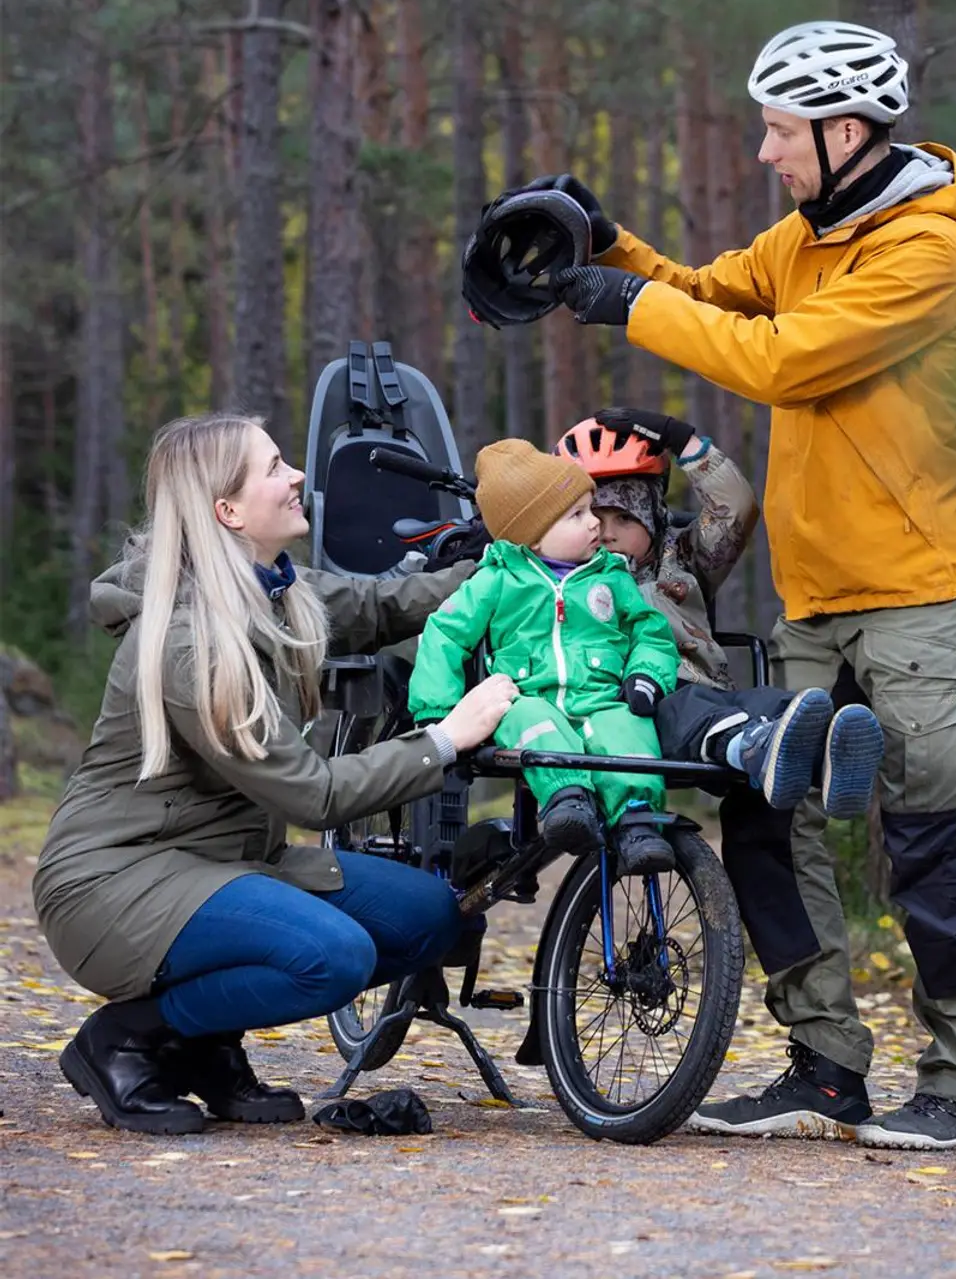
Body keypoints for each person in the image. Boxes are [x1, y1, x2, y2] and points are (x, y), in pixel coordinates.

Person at [540, 20, 956, 1151]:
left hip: (917, 586)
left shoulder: (924, 249)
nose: (765, 152)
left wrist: (629, 307)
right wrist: (608, 247)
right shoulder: (806, 238)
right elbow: (702, 291)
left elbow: (781, 360)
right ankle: (824, 1063)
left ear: (843, 131)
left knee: (924, 833)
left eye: (777, 131)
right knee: (762, 809)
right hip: (814, 594)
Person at [34, 414, 516, 1138]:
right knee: (332, 956)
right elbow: (313, 793)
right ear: (227, 511)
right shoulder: (188, 642)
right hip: (115, 884)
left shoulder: (274, 586)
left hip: (225, 864)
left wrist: (506, 564)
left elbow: (383, 605)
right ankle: (131, 1036)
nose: (296, 477)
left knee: (433, 919)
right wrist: (446, 739)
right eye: (273, 466)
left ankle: (203, 1044)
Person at [553, 408, 883, 822]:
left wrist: (684, 442)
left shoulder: (681, 558)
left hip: (709, 694)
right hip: (627, 710)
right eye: (591, 517)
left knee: (769, 704)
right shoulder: (556, 576)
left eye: (624, 517)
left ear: (655, 515)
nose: (606, 531)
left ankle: (824, 758)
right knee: (691, 711)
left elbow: (737, 507)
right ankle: (756, 745)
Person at [407, 438, 682, 876]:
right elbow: (445, 632)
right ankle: (567, 803)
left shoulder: (610, 576)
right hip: (527, 695)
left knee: (627, 731)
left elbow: (650, 631)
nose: (596, 524)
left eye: (591, 509)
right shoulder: (498, 579)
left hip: (601, 697)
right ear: (532, 535)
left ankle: (637, 819)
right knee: (528, 722)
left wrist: (646, 675)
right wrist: (438, 712)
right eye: (578, 515)